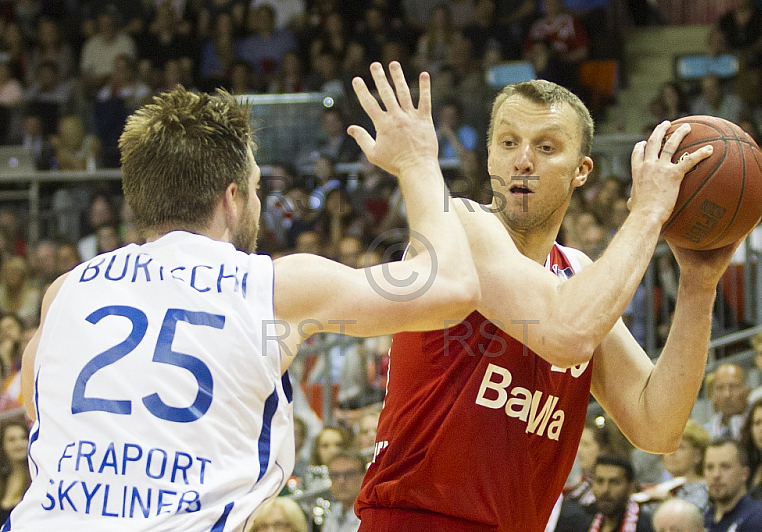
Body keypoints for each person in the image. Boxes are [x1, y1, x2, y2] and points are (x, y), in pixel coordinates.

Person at [7, 62, 480, 530]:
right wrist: (417, 162)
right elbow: (453, 287)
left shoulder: (66, 290)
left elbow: (38, 406)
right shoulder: (271, 286)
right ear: (231, 198)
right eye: (255, 188)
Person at [357, 71, 750, 531]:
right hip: (420, 520)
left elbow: (656, 425)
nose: (523, 160)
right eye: (508, 142)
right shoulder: (458, 228)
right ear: (488, 157)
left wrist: (699, 286)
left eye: (546, 147)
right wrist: (648, 212)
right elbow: (566, 334)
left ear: (582, 170)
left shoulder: (578, 274)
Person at [703, 438, 762, 532]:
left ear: (744, 474)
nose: (716, 475)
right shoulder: (704, 520)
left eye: (725, 466)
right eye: (709, 467)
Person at [589, 454, 654, 532]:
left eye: (614, 482)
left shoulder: (647, 526)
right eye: (600, 481)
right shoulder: (584, 523)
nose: (605, 490)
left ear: (631, 488)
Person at [322, 452, 366, 532]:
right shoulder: (333, 514)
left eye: (349, 474)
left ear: (364, 476)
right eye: (335, 475)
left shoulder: (370, 515)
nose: (341, 481)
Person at [705, 363, 750, 440]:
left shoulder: (761, 426)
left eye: (733, 387)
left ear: (747, 392)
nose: (727, 395)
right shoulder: (705, 434)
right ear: (712, 395)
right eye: (720, 388)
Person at [0, 422, 30, 524]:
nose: (19, 443)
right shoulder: (2, 482)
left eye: (23, 438)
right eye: (12, 440)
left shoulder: (38, 479)